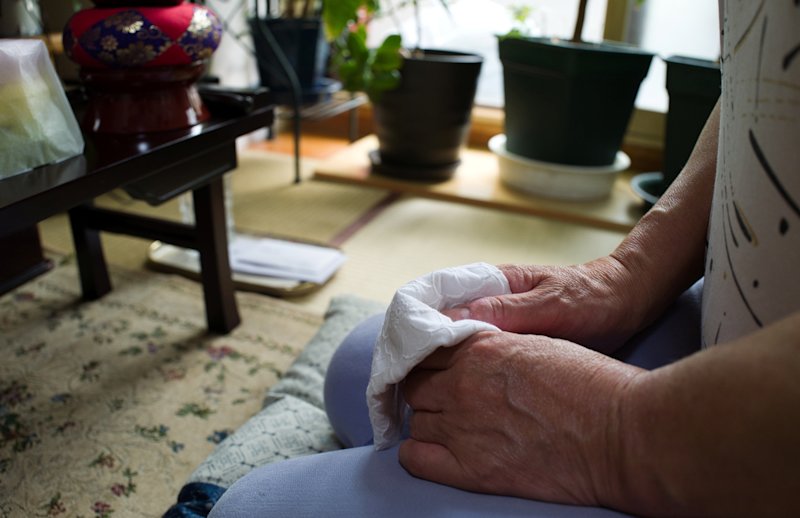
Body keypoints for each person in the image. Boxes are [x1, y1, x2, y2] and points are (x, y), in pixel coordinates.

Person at [210, 2, 799, 516]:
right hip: (745, 336)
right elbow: (764, 88)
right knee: (365, 367)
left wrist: (612, 433)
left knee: (249, 509)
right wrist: (631, 274)